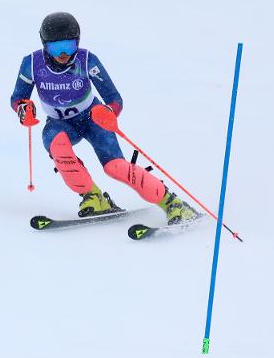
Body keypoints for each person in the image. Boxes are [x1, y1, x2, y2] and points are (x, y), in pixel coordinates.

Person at [10, 12, 198, 224]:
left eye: (69, 46)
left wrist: (109, 112)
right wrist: (23, 109)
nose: (63, 53)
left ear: (77, 42)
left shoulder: (87, 59)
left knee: (115, 167)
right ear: (45, 45)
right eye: (55, 47)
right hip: (59, 123)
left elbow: (114, 98)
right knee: (57, 145)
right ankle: (94, 197)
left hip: (93, 119)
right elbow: (18, 98)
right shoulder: (32, 63)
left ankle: (172, 202)